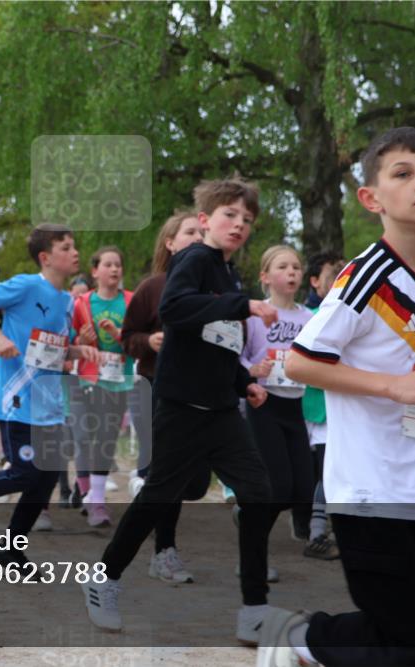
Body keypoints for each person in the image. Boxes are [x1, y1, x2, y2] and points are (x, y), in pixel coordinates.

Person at [259, 127, 415, 667]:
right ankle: (303, 641)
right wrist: (392, 387)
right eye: (403, 173)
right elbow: (301, 362)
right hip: (368, 490)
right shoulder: (365, 276)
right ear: (372, 199)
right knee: (410, 644)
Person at [82, 177, 280, 645]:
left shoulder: (228, 272)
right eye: (229, 215)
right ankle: (104, 578)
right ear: (206, 220)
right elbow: (174, 309)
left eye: (247, 220)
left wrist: (244, 383)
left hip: (220, 411)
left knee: (258, 494)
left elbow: (219, 341)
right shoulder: (193, 259)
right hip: (180, 407)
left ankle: (253, 608)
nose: (239, 225)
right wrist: (245, 304)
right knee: (158, 497)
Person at [0, 223, 100, 570]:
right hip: (18, 398)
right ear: (46, 257)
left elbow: (51, 352)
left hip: (50, 403)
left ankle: (10, 551)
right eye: (66, 247)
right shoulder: (25, 285)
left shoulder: (67, 301)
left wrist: (80, 351)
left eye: (74, 246)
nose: (74, 253)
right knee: (23, 472)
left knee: (45, 478)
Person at [121, 209, 208, 583]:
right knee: (171, 472)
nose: (198, 238)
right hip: (158, 387)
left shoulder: (214, 289)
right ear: (170, 244)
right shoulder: (153, 288)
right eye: (190, 232)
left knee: (196, 483)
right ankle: (164, 551)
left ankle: (148, 485)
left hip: (203, 391)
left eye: (202, 233)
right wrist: (149, 341)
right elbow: (127, 338)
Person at [240, 245, 315, 562]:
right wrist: (251, 371)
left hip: (296, 406)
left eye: (296, 267)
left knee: (304, 488)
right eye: (283, 267)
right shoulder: (254, 316)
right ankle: (253, 553)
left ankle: (249, 522)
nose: (292, 273)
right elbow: (238, 357)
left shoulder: (310, 317)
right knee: (278, 486)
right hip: (263, 404)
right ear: (265, 277)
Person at [71, 245, 135, 528]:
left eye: (118, 264)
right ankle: (87, 492)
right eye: (108, 265)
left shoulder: (131, 301)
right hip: (87, 376)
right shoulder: (82, 304)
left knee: (107, 437)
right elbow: (68, 344)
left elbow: (137, 342)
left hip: (118, 378)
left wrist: (116, 334)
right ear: (95, 271)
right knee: (85, 435)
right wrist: (82, 342)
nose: (114, 269)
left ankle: (96, 500)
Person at [300, 251, 344, 560]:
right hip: (317, 406)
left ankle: (324, 530)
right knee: (322, 469)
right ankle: (316, 532)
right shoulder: (312, 317)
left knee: (332, 469)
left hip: (343, 407)